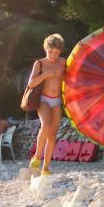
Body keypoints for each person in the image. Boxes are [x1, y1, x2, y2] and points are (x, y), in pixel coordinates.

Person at [28, 34, 66, 176]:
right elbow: (31, 83)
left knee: (52, 134)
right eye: (50, 52)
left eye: (57, 53)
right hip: (43, 99)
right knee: (46, 125)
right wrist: (45, 74)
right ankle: (37, 157)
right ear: (45, 48)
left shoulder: (63, 62)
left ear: (60, 52)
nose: (53, 56)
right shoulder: (40, 63)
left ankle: (46, 168)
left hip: (57, 100)